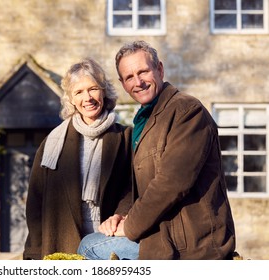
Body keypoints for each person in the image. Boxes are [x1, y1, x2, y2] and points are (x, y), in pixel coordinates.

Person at [77, 40, 236, 260]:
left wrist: (130, 225)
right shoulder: (143, 121)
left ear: (159, 69)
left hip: (190, 242)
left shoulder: (187, 110)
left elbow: (172, 182)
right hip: (162, 232)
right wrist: (121, 216)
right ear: (122, 83)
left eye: (143, 72)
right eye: (129, 77)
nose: (138, 82)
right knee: (93, 241)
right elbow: (138, 186)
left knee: (89, 247)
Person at [23, 57, 138, 260]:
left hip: (108, 240)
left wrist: (119, 217)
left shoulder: (126, 138)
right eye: (79, 92)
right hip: (61, 240)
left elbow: (132, 189)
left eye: (93, 89)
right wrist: (34, 250)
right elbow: (35, 201)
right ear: (71, 100)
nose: (88, 98)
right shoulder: (52, 142)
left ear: (103, 91)